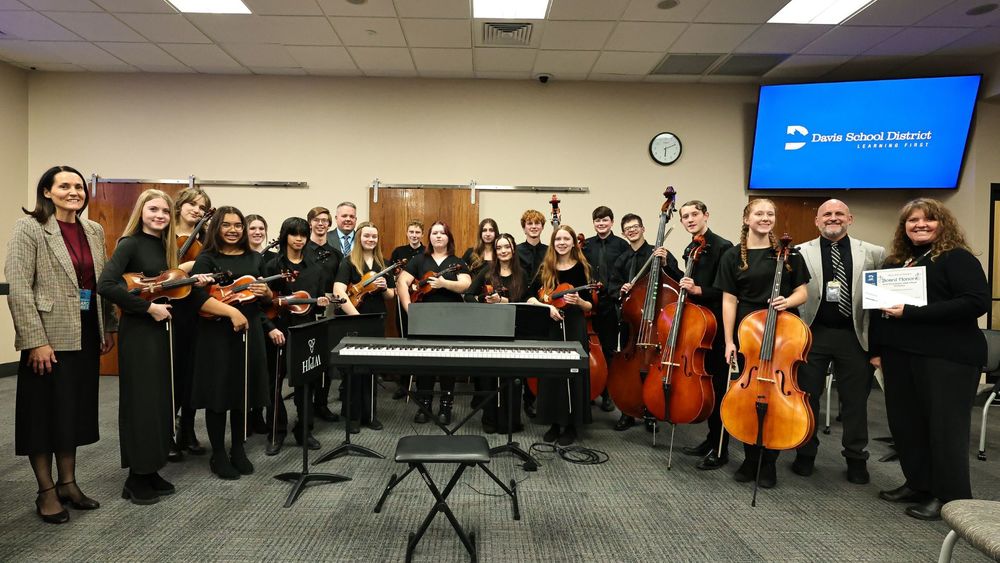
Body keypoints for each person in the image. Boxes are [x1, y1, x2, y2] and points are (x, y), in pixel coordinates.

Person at [98, 190, 233, 504]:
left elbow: (164, 288)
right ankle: (136, 478)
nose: (159, 215)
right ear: (141, 212)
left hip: (160, 331)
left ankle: (150, 469)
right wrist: (147, 308)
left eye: (164, 210)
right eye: (153, 209)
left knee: (160, 402)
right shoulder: (130, 243)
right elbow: (106, 285)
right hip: (140, 333)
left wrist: (193, 281)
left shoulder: (164, 245)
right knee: (142, 404)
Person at [5, 166, 117, 524]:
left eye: (79, 186)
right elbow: (20, 288)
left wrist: (107, 326)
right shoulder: (30, 227)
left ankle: (68, 483)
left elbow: (99, 283)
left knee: (73, 412)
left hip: (84, 332)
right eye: (64, 186)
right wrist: (35, 341)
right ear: (47, 191)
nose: (74, 192)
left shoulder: (93, 230)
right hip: (48, 336)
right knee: (43, 415)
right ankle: (46, 490)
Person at [870, 198, 989, 521]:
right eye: (912, 220)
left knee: (944, 429)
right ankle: (919, 484)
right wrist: (876, 350)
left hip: (947, 358)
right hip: (900, 356)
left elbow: (975, 302)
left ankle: (950, 497)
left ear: (942, 223)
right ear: (904, 227)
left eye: (928, 219)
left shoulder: (957, 258)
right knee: (907, 425)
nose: (920, 224)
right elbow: (879, 311)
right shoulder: (897, 262)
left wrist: (913, 312)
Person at [714, 198, 809, 489]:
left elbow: (802, 292)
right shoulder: (733, 256)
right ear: (747, 219)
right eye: (759, 213)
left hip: (782, 331)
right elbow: (729, 300)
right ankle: (750, 458)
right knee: (748, 397)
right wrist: (729, 340)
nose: (765, 218)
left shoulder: (790, 253)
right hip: (749, 334)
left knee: (777, 398)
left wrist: (786, 302)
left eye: (770, 214)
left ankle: (769, 462)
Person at [791, 199, 885, 484]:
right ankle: (805, 453)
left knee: (855, 402)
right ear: (817, 221)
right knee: (807, 398)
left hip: (854, 336)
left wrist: (879, 347)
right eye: (827, 214)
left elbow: (880, 303)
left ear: (850, 219)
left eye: (839, 214)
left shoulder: (873, 252)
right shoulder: (799, 252)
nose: (833, 218)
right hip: (812, 334)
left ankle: (856, 458)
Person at [189, 206, 271, 480]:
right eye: (226, 225)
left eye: (238, 225)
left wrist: (266, 292)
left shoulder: (254, 257)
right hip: (216, 334)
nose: (233, 230)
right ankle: (218, 454)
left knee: (242, 393)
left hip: (249, 332)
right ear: (216, 228)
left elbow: (266, 301)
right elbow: (196, 298)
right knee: (218, 394)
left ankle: (238, 448)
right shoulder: (206, 259)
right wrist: (231, 312)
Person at [671, 201, 735, 470]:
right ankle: (711, 439)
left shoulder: (723, 247)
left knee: (719, 389)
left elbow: (729, 290)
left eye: (694, 214)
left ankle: (721, 449)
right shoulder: (691, 248)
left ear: (706, 215)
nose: (690, 219)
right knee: (707, 386)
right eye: (685, 216)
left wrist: (699, 290)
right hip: (698, 329)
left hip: (717, 327)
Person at [262, 217, 332, 455]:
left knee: (306, 383)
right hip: (278, 329)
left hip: (305, 330)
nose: (299, 239)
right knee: (274, 383)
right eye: (294, 234)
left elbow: (318, 303)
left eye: (303, 234)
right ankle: (276, 431)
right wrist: (270, 326)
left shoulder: (315, 269)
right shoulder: (272, 266)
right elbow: (265, 302)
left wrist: (321, 303)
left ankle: (304, 430)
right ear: (285, 236)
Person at [608, 213, 682, 432]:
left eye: (635, 226)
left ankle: (651, 412)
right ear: (623, 233)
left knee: (651, 369)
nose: (632, 230)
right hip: (632, 322)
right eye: (627, 228)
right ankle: (627, 411)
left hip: (655, 324)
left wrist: (665, 263)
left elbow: (678, 280)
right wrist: (621, 290)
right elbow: (612, 288)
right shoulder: (622, 259)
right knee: (629, 367)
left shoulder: (658, 253)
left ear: (642, 229)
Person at [396, 221, 472, 424]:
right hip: (424, 318)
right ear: (429, 237)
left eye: (442, 233)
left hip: (451, 318)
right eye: (435, 233)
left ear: (448, 238)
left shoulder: (457, 261)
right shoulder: (419, 260)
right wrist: (409, 308)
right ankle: (424, 405)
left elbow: (465, 284)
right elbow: (402, 282)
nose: (438, 236)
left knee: (448, 363)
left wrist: (444, 283)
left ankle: (446, 407)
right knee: (424, 362)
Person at [527, 224, 594, 446]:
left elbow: (590, 305)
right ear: (553, 243)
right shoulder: (546, 267)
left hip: (574, 325)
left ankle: (572, 425)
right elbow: (530, 296)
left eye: (566, 239)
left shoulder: (582, 268)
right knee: (552, 374)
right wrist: (547, 307)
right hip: (551, 326)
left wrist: (579, 301)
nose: (562, 243)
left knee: (572, 374)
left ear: (573, 242)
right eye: (558, 239)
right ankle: (554, 423)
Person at [333, 221, 395, 432]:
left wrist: (385, 288)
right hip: (354, 319)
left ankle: (369, 415)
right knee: (353, 370)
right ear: (359, 238)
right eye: (367, 236)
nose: (370, 239)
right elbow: (339, 291)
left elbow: (391, 295)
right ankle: (352, 417)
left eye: (374, 236)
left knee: (371, 368)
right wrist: (357, 317)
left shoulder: (384, 263)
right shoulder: (348, 262)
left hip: (376, 319)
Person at [465, 233, 529, 433]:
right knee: (489, 377)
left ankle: (510, 422)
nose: (503, 251)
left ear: (513, 249)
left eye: (506, 247)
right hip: (490, 329)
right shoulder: (487, 272)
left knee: (512, 377)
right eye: (499, 248)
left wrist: (502, 301)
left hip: (514, 329)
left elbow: (524, 302)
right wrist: (483, 301)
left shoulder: (522, 274)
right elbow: (468, 295)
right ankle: (489, 419)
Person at [170, 187, 212, 460]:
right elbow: (161, 271)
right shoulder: (166, 235)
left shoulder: (205, 239)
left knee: (193, 374)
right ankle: (167, 432)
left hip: (197, 309)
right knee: (173, 374)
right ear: (180, 205)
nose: (197, 210)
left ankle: (188, 429)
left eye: (202, 207)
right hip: (171, 309)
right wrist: (185, 268)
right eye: (192, 204)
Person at [581, 206, 629, 413]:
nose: (601, 223)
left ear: (612, 222)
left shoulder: (621, 245)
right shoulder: (586, 245)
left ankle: (607, 394)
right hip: (589, 304)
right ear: (594, 223)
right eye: (597, 220)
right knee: (587, 348)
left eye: (605, 220)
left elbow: (626, 272)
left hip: (610, 303)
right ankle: (591, 388)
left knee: (608, 349)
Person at [305, 206, 342, 422]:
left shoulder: (336, 254)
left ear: (329, 224)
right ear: (310, 223)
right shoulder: (302, 251)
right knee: (307, 358)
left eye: (325, 221)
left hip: (329, 309)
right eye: (317, 220)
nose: (321, 224)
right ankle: (305, 406)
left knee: (326, 359)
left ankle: (321, 404)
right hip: (305, 308)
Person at [516, 209, 547, 418]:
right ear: (524, 227)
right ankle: (523, 399)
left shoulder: (550, 251)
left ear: (542, 227)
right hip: (521, 307)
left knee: (540, 355)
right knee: (523, 355)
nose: (534, 227)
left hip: (544, 307)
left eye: (537, 223)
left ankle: (537, 398)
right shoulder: (516, 251)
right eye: (530, 223)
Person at [389, 220, 425, 400]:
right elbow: (391, 274)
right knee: (404, 341)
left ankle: (421, 384)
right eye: (411, 232)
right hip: (403, 300)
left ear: (422, 234)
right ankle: (403, 385)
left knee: (422, 342)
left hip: (421, 299)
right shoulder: (399, 251)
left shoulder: (427, 252)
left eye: (417, 232)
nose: (414, 235)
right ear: (407, 233)